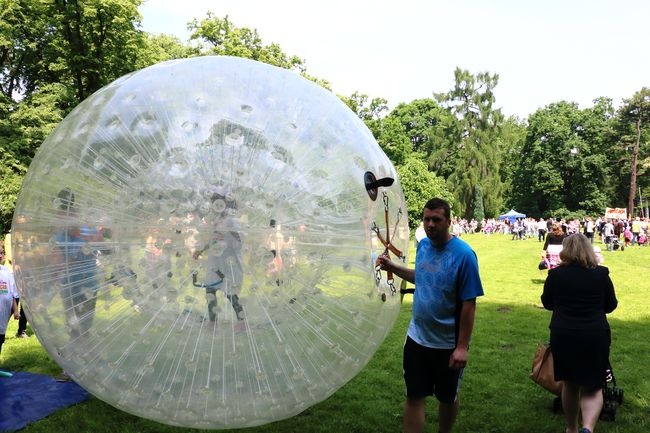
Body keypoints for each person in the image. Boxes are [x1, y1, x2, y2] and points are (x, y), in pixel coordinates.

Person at [376, 198, 484, 433]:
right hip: (417, 339)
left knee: (447, 398)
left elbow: (469, 303)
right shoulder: (423, 246)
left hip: (447, 344)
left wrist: (462, 346)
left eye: (436, 219)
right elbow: (422, 276)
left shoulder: (464, 255)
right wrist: (392, 267)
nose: (430, 224)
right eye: (426, 219)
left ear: (448, 221)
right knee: (414, 395)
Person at [541, 233, 618, 433]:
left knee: (570, 383)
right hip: (594, 334)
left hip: (564, 334)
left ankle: (572, 428)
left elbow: (547, 303)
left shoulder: (555, 275)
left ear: (565, 251)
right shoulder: (601, 274)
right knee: (593, 385)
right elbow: (611, 305)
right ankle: (588, 428)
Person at [51, 188, 103, 339]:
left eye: (71, 215)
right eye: (63, 216)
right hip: (69, 287)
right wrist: (74, 254)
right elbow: (57, 264)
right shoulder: (59, 238)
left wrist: (85, 237)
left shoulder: (88, 232)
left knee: (85, 326)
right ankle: (76, 349)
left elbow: (103, 244)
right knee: (74, 327)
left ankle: (83, 350)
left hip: (89, 286)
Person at [0, 257, 20, 357]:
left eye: (1, 253)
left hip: (3, 316)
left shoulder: (6, 271)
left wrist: (16, 310)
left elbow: (11, 294)